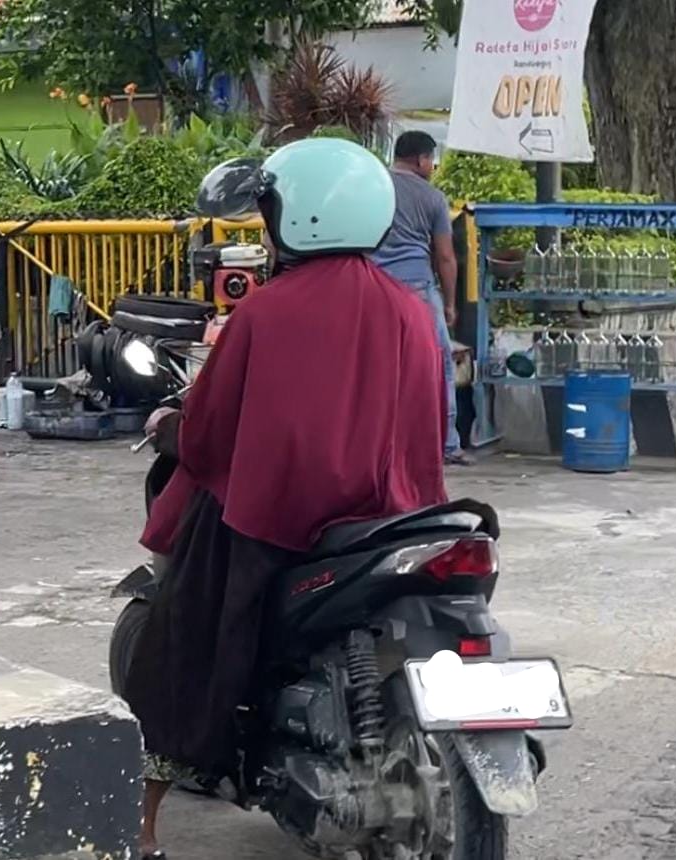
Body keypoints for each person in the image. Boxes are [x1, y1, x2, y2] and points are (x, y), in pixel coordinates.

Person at [125, 139, 449, 860]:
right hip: (395, 520)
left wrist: (169, 426)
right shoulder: (410, 310)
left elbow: (209, 441)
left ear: (295, 218)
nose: (264, 227)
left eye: (267, 212)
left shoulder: (266, 314)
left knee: (184, 642)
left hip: (283, 519)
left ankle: (141, 826)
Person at [370, 130, 469, 466]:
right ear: (422, 160)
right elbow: (445, 257)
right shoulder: (432, 197)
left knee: (377, 367)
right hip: (417, 290)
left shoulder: (371, 187)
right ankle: (448, 445)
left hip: (374, 288)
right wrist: (451, 304)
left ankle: (380, 445)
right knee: (438, 364)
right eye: (432, 160)